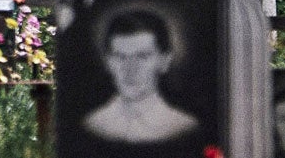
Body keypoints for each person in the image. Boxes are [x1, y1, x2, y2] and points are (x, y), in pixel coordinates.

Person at [82, 9, 198, 144]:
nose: (130, 69)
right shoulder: (93, 124)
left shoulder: (183, 126)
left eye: (142, 56)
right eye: (120, 57)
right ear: (108, 62)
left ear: (164, 61)